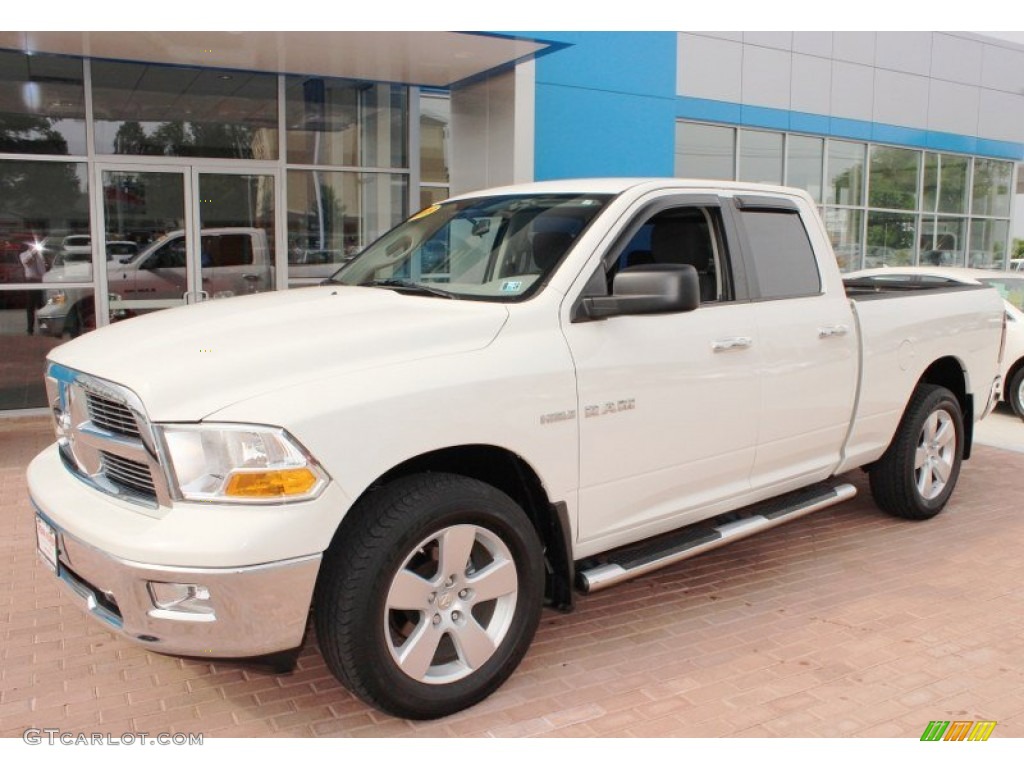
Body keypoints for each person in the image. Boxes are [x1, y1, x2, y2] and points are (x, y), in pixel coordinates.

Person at [19, 243, 48, 335]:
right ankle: (30, 330)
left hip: (40, 281)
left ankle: (43, 328)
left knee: (41, 306)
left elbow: (43, 268)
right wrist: (32, 253)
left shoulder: (40, 255)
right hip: (31, 281)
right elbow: (27, 263)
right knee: (30, 307)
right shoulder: (24, 254)